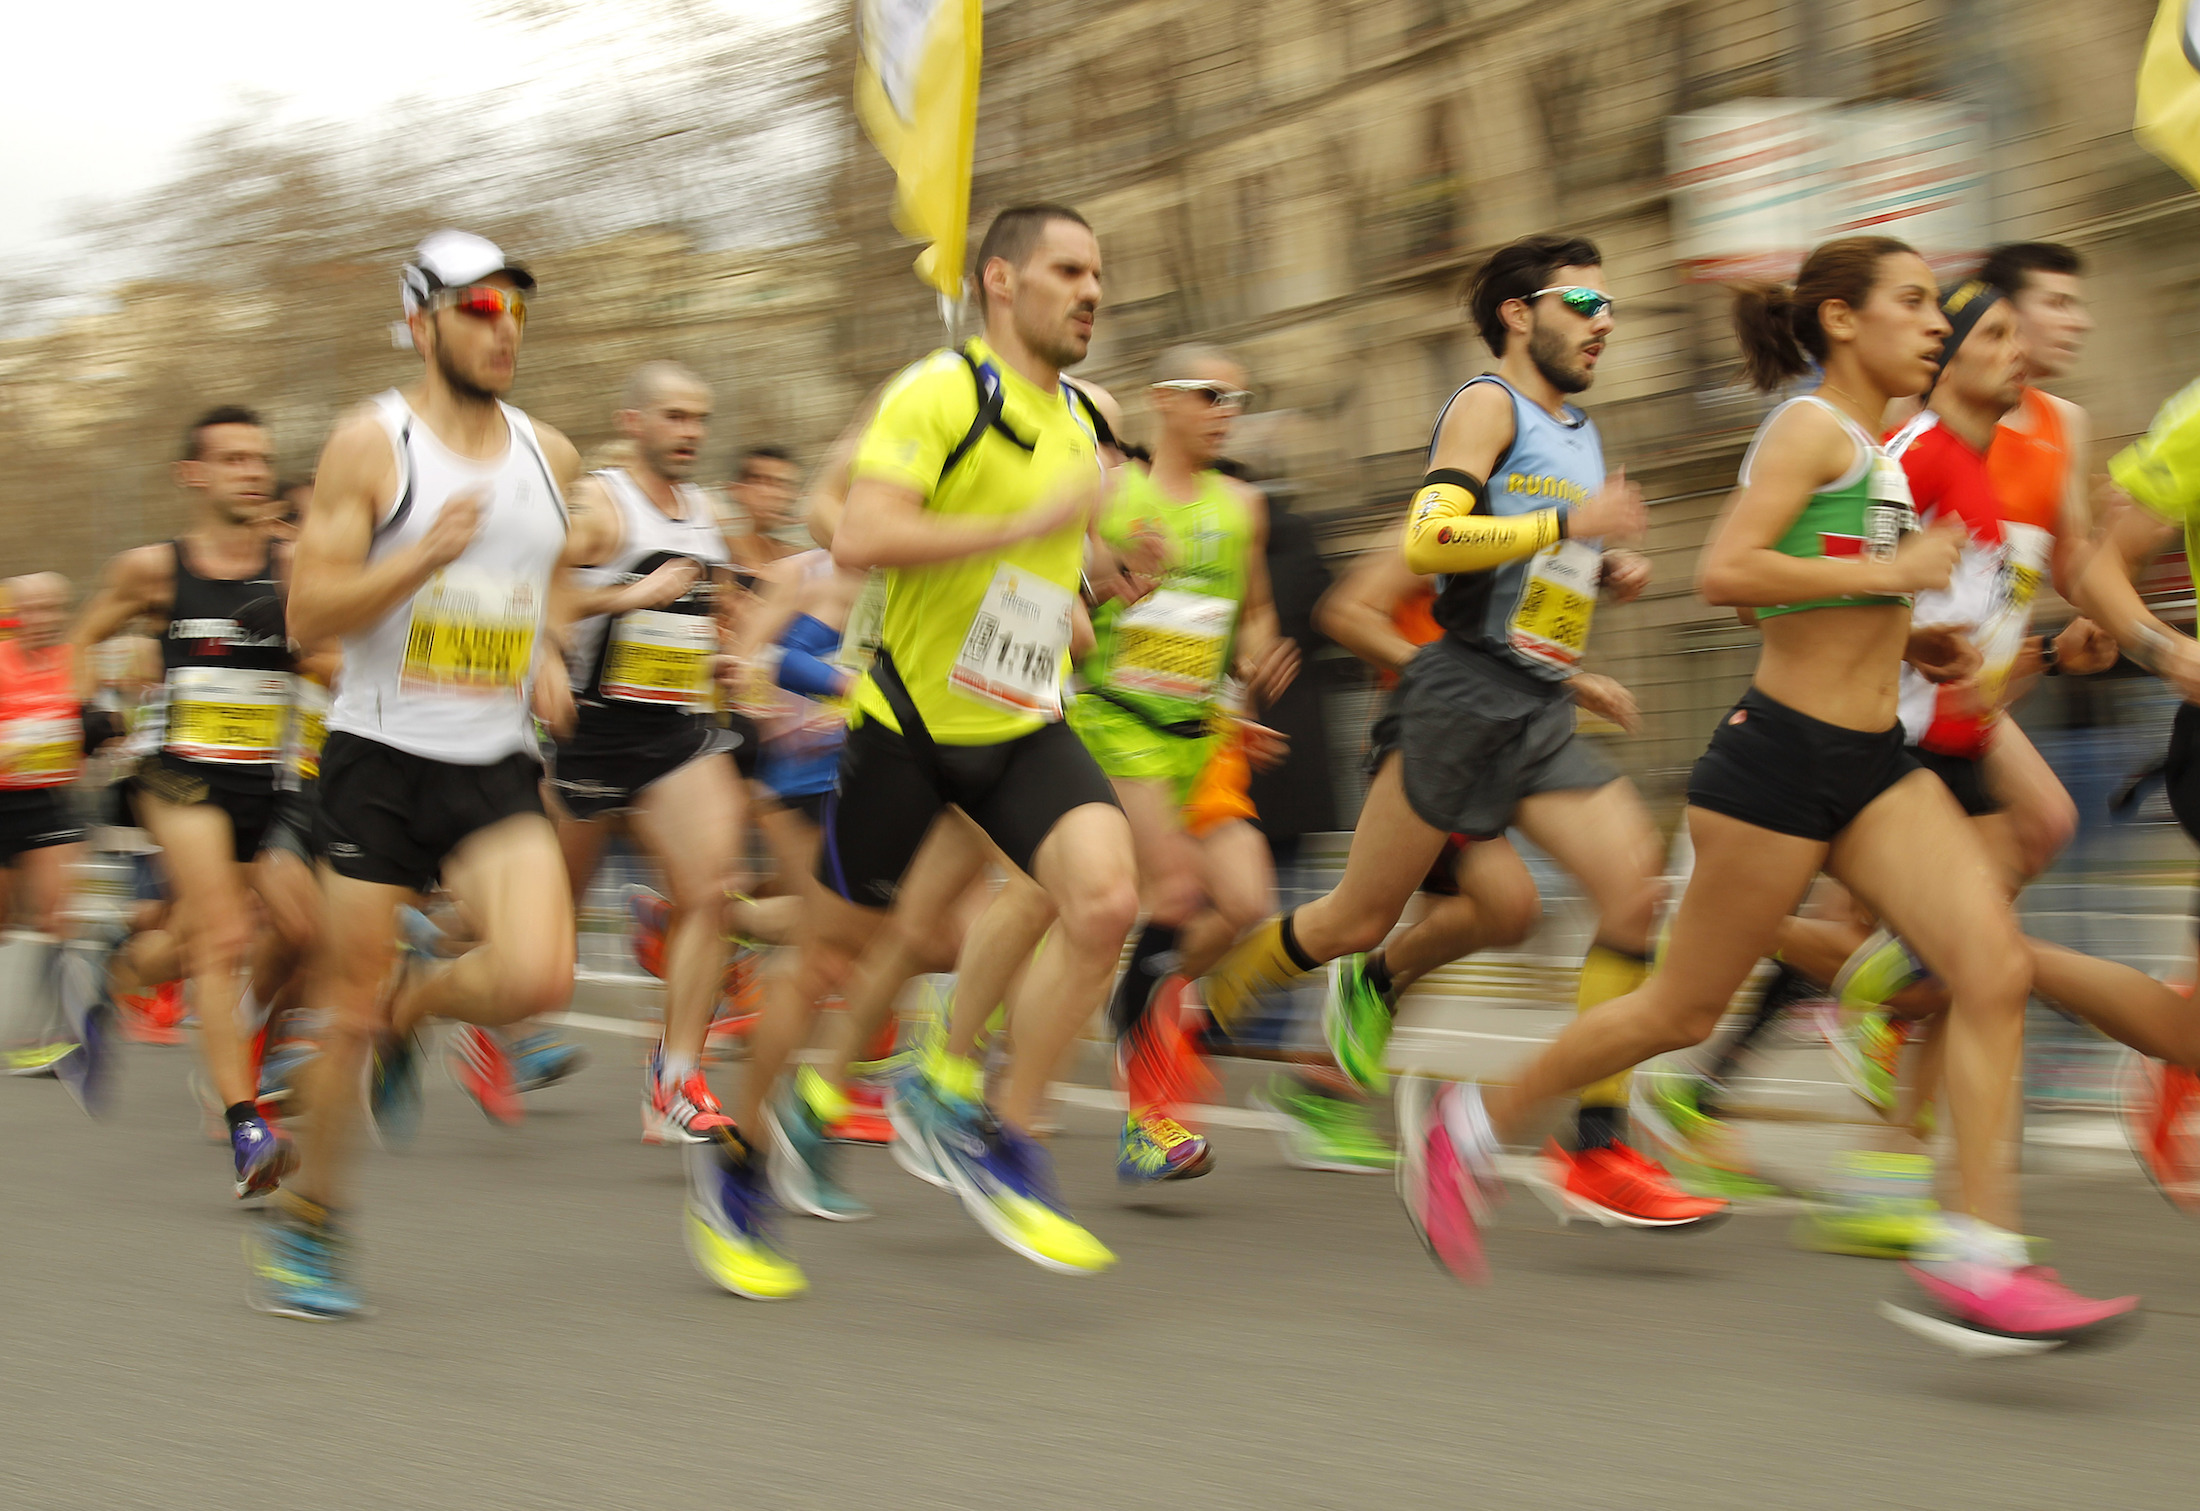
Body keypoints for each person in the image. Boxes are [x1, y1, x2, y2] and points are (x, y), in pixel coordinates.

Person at [1393, 235, 2138, 1351]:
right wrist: (1888, 576)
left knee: (1991, 966)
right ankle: (1470, 1123)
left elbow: (1808, 594)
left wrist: (1917, 634)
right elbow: (1726, 572)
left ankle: (1980, 1255)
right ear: (1842, 319)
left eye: (1941, 307)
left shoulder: (1879, 452)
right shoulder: (1806, 428)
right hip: (1776, 761)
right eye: (1913, 302)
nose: (1935, 323)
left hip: (1870, 760)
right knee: (1677, 1012)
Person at [1195, 234, 1718, 1229]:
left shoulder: (1581, 433)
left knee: (1632, 887)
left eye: (1610, 306)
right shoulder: (1488, 404)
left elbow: (1530, 573)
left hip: (1531, 701)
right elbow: (1436, 540)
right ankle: (1183, 1020)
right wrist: (1570, 531)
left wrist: (1600, 575)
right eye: (1581, 302)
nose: (1603, 321)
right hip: (1455, 697)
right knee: (1354, 917)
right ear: (1520, 314)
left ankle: (1595, 1146)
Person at [689, 203, 1138, 1298]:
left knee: (1107, 902)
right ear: (1001, 281)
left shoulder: (1078, 420)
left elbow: (1051, 579)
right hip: (907, 731)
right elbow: (861, 534)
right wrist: (1025, 522)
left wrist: (1108, 570)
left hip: (1021, 718)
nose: (1091, 291)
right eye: (1068, 270)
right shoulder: (942, 393)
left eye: (1098, 274)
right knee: (826, 964)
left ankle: (1002, 1132)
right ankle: (738, 1153)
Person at [244, 230, 582, 1320]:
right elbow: (307, 616)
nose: (503, 328)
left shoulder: (550, 455)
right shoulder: (370, 445)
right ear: (421, 320)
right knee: (342, 1013)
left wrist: (546, 655)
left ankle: (421, 1007)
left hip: (490, 760)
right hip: (380, 757)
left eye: (515, 310)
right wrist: (418, 558)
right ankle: (311, 1224)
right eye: (479, 308)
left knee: (537, 975)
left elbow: (541, 584)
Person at [1066, 343, 1296, 1183]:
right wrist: (1113, 583)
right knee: (1170, 895)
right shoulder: (1108, 491)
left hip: (1204, 731)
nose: (1226, 409)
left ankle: (1140, 1003)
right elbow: (1058, 596)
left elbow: (1257, 610)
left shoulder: (1244, 506)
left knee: (1243, 900)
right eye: (1209, 394)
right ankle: (1147, 1113)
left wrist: (1256, 669)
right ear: (1162, 399)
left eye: (1238, 397)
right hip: (1118, 720)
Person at [70, 406, 310, 1197]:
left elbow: (341, 654)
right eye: (234, 458)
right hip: (175, 775)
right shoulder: (153, 569)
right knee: (225, 934)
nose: (253, 470)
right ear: (193, 475)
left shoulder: (297, 564)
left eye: (261, 458)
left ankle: (114, 972)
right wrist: (89, 712)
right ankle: (245, 1122)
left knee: (301, 931)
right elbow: (82, 640)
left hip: (261, 780)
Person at [547, 360, 748, 1143]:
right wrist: (624, 596)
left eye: (698, 417)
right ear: (633, 422)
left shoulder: (707, 509)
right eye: (673, 417)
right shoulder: (601, 506)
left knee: (715, 888)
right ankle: (447, 992)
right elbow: (535, 591)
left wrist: (721, 649)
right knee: (542, 941)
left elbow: (713, 601)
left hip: (671, 732)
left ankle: (675, 1076)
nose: (690, 432)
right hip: (590, 734)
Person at [725, 445, 805, 577]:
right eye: (760, 481)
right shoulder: (719, 549)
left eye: (782, 484)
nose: (773, 494)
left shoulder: (801, 559)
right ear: (736, 489)